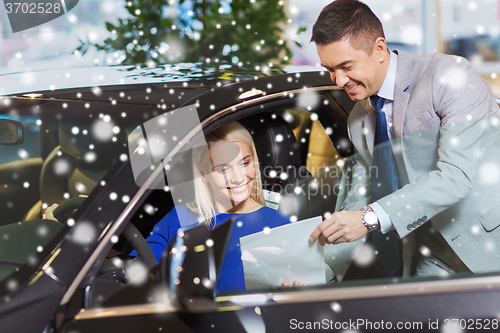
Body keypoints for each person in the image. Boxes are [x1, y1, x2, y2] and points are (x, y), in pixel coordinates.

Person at [309, 0, 500, 278]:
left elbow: (456, 176)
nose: (338, 80)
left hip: (490, 241)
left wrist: (368, 218)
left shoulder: (450, 77)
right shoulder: (358, 120)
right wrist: (316, 273)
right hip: (431, 256)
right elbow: (359, 202)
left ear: (379, 49)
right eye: (330, 69)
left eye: (346, 65)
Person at [129, 121, 292, 292]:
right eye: (223, 169)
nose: (238, 177)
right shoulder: (180, 217)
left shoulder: (277, 224)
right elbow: (138, 272)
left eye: (244, 163)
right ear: (203, 174)